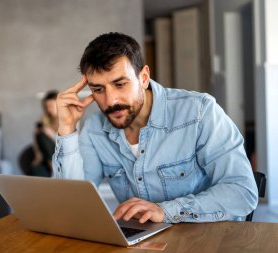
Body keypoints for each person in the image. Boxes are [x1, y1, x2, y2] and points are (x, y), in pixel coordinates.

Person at [52, 32, 258, 223]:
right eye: (98, 89)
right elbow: (71, 205)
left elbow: (242, 192)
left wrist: (165, 210)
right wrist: (67, 127)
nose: (110, 100)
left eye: (120, 84)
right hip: (145, 242)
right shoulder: (95, 129)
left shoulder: (199, 112)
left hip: (208, 238)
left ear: (143, 77)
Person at [31, 90, 58, 177]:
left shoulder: (67, 120)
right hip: (46, 155)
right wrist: (38, 154)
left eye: (51, 106)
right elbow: (37, 139)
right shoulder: (45, 120)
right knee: (33, 165)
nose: (48, 109)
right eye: (46, 107)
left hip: (59, 153)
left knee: (42, 136)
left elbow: (69, 144)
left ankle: (54, 169)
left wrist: (52, 135)